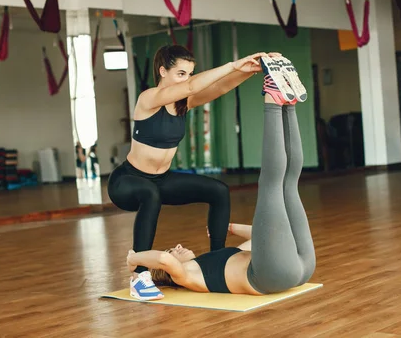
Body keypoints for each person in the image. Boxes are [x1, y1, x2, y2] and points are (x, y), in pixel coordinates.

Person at [125, 58, 316, 297]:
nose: (178, 247)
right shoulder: (185, 275)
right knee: (272, 185)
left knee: (289, 184)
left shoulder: (221, 258)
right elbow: (162, 258)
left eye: (174, 247)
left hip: (297, 269)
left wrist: (232, 228)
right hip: (273, 274)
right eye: (174, 250)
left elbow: (263, 238)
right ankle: (274, 98)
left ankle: (288, 105)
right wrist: (135, 258)